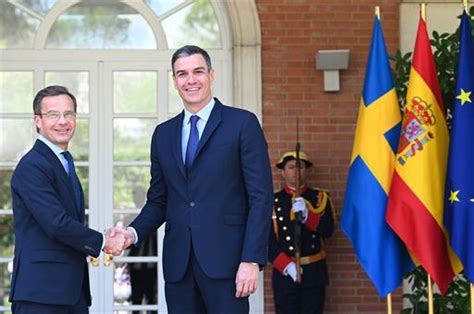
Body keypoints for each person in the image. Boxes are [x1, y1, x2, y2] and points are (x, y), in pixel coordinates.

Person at [112, 45, 274, 313]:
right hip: (179, 267)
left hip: (228, 264)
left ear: (211, 74)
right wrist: (131, 233)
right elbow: (159, 200)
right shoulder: (163, 134)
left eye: (198, 71)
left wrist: (251, 259)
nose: (191, 80)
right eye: (182, 74)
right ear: (174, 81)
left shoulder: (242, 124)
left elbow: (261, 197)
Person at [9, 85, 125, 314]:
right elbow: (56, 223)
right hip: (41, 294)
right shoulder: (32, 166)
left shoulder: (63, 161)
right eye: (53, 114)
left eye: (68, 114)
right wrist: (103, 241)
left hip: (69, 292)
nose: (63, 121)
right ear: (38, 121)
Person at [269, 151, 335, 314]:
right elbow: (266, 240)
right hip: (285, 273)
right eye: (291, 167)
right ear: (283, 172)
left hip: (314, 273)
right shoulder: (272, 201)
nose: (296, 171)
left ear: (307, 170)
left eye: (300, 166)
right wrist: (286, 265)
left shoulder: (320, 198)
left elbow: (328, 230)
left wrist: (308, 216)